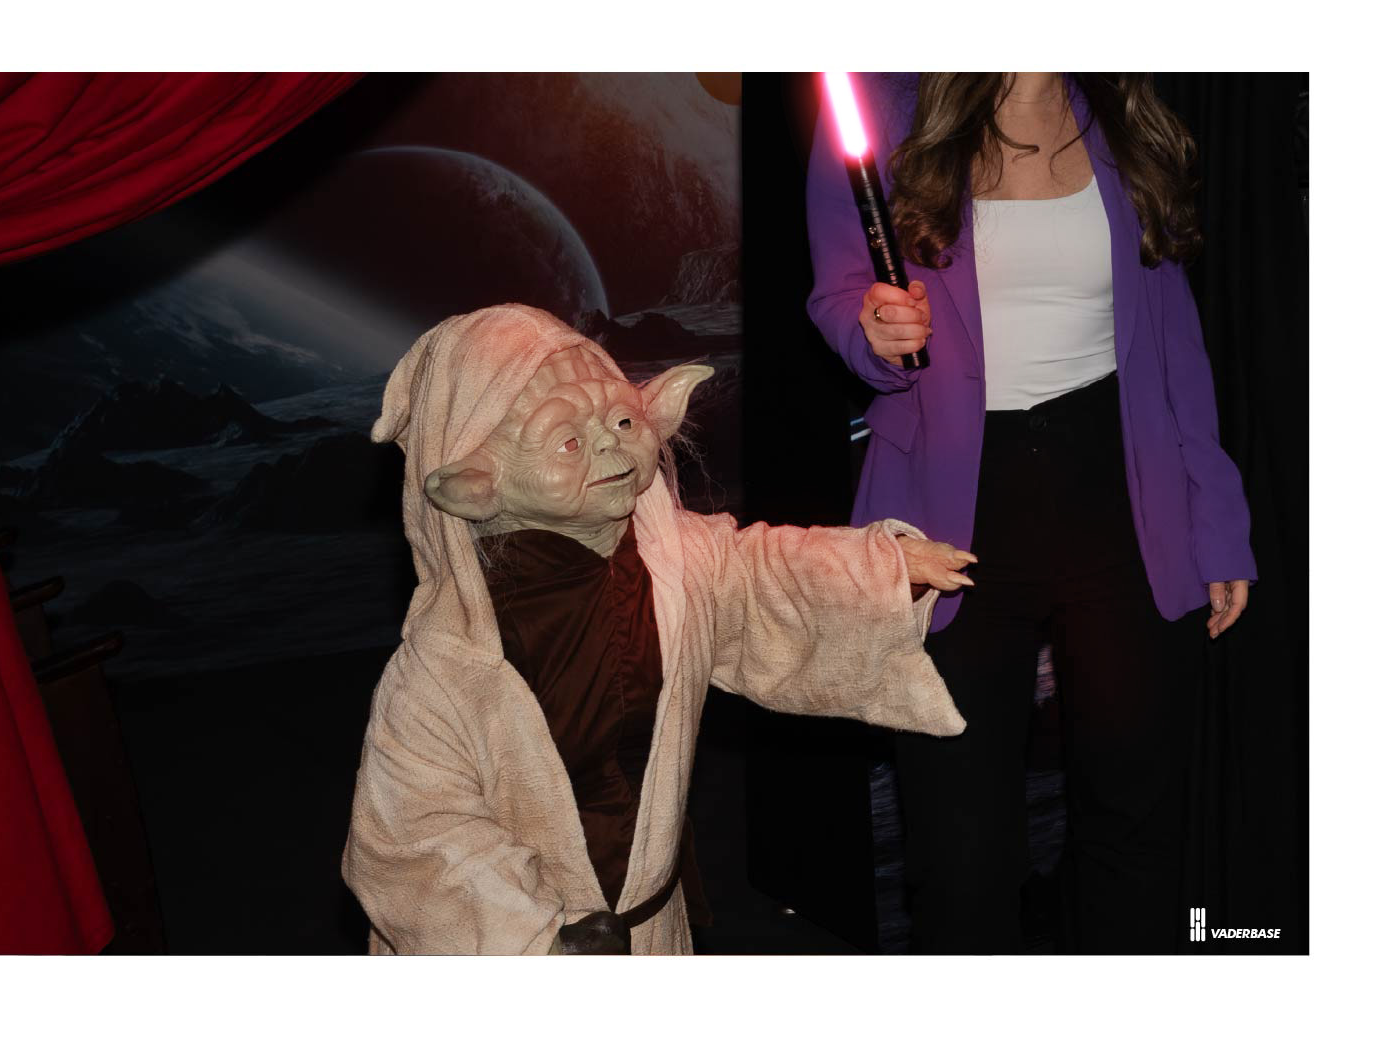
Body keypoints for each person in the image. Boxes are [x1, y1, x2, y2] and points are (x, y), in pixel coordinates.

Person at [342, 303, 975, 954]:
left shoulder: (677, 569)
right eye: (567, 440)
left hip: (650, 928)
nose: (610, 445)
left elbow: (759, 573)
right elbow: (416, 836)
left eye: (622, 421)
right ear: (476, 483)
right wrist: (537, 941)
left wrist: (883, 568)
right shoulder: (445, 664)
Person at [806, 73, 1256, 954]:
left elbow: (1173, 339)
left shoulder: (1121, 110)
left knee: (1133, 826)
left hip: (1126, 496)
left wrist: (1216, 513)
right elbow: (838, 293)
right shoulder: (879, 109)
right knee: (960, 857)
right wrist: (873, 332)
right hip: (947, 513)